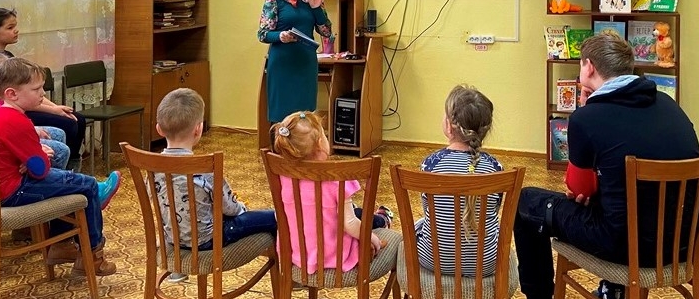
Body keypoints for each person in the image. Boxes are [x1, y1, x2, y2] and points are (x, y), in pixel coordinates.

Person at [513, 32, 699, 299]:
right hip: (682, 240)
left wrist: (585, 107)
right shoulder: (668, 104)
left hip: (623, 245)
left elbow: (578, 189)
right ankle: (613, 289)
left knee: (525, 201)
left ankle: (540, 295)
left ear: (589, 67)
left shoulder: (587, 117)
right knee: (614, 196)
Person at [0, 56, 120, 275]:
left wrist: (29, 160)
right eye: (36, 89)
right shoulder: (19, 122)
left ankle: (62, 246)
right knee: (86, 185)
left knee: (68, 182)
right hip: (11, 191)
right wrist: (42, 155)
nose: (42, 93)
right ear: (12, 93)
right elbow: (40, 170)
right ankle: (93, 256)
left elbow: (19, 159)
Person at [154, 87, 277, 251]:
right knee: (275, 217)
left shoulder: (151, 167)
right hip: (208, 240)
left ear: (159, 129)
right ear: (198, 129)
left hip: (172, 238)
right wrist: (243, 208)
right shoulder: (204, 168)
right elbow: (231, 209)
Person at [271, 111, 390, 274]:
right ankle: (381, 225)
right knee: (361, 230)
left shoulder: (281, 176)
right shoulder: (337, 178)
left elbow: (279, 216)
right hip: (336, 256)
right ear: (321, 143)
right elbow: (350, 224)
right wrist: (372, 238)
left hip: (295, 255)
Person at [0, 7, 87, 169]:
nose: (16, 31)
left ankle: (70, 168)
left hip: (21, 105)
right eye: (10, 27)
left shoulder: (7, 56)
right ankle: (62, 171)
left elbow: (30, 88)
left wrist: (56, 107)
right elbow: (20, 96)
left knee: (76, 118)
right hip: (17, 108)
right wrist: (53, 111)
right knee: (68, 124)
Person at [417, 84, 503, 276]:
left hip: (434, 260)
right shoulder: (496, 169)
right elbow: (493, 210)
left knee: (421, 223)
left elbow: (429, 209)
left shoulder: (430, 165)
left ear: (449, 126)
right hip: (485, 264)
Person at [257, 0, 333, 122]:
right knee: (281, 117)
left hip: (305, 64)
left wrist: (316, 8)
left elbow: (326, 32)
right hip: (282, 64)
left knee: (305, 117)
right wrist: (280, 36)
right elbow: (262, 34)